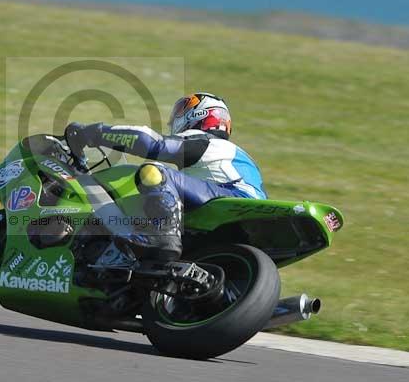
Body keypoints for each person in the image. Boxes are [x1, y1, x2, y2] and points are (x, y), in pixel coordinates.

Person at [65, 92, 266, 262]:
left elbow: (152, 144)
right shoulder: (236, 157)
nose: (173, 120)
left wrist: (92, 133)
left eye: (181, 110)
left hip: (229, 198)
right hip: (243, 218)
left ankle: (162, 237)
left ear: (201, 114)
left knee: (153, 171)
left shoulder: (208, 142)